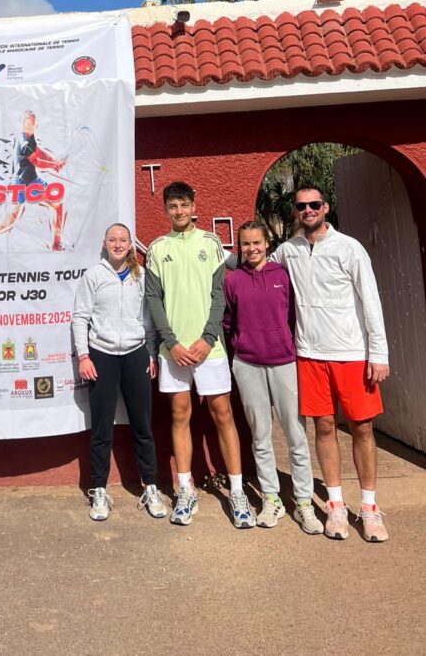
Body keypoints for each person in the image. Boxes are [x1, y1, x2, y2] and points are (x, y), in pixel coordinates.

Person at [272, 186, 390, 542]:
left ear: (325, 208)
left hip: (352, 354)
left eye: (314, 204)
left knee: (362, 428)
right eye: (301, 206)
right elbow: (257, 264)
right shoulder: (288, 250)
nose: (308, 210)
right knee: (323, 428)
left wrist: (378, 353)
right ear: (295, 211)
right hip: (309, 354)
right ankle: (336, 505)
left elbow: (371, 300)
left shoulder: (349, 248)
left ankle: (369, 508)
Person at [145, 181, 255, 528]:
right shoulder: (157, 248)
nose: (179, 211)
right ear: (166, 210)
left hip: (210, 349)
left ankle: (237, 492)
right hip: (173, 351)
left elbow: (218, 295)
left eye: (184, 205)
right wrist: (171, 342)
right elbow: (153, 300)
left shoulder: (211, 243)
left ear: (194, 206)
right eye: (172, 206)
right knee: (180, 415)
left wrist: (208, 338)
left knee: (223, 413)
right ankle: (185, 490)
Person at [222, 221, 323, 533]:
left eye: (257, 243)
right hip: (248, 365)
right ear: (240, 247)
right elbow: (228, 322)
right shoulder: (233, 280)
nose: (252, 249)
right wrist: (240, 349)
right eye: (246, 244)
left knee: (296, 435)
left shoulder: (282, 275)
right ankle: (271, 498)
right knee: (261, 436)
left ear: (267, 244)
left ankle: (304, 503)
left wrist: (284, 343)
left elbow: (293, 316)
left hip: (284, 363)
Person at [73, 223, 165, 521]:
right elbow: (80, 318)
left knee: (142, 427)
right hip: (102, 356)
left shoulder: (141, 276)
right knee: (102, 429)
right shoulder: (94, 276)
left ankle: (150, 487)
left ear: (130, 245)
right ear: (104, 243)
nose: (117, 244)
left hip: (136, 354)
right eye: (112, 239)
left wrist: (150, 353)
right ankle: (99, 490)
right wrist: (84, 356)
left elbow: (148, 319)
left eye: (123, 239)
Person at [0, 110, 67, 251]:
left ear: (35, 125)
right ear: (22, 124)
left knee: (58, 205)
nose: (29, 127)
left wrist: (55, 161)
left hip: (34, 182)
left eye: (32, 124)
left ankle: (56, 244)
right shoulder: (24, 142)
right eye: (27, 124)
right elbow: (38, 162)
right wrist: (54, 165)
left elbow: (40, 152)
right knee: (6, 223)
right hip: (21, 186)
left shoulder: (31, 138)